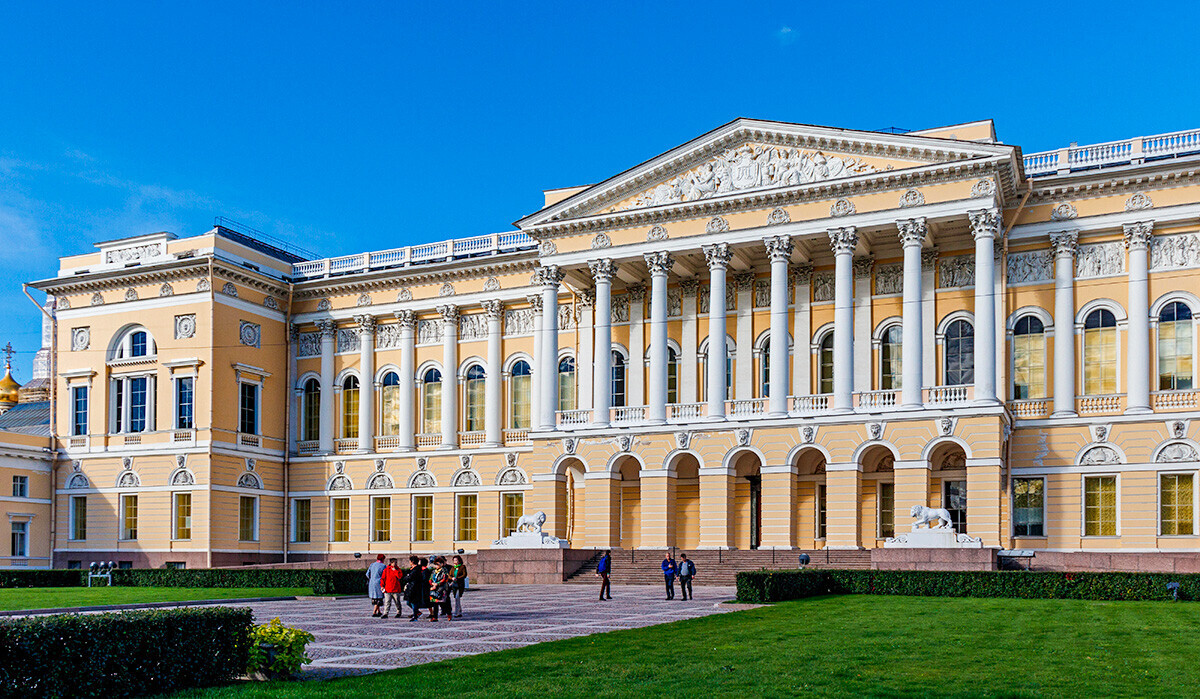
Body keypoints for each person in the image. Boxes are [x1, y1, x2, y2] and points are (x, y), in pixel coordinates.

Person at [428, 556, 452, 622]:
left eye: (438, 564)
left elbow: (444, 579)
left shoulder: (444, 570)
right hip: (435, 589)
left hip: (442, 589)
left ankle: (449, 614)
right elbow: (430, 579)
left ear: (441, 564)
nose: (436, 566)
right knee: (435, 604)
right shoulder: (433, 571)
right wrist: (432, 584)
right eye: (435, 564)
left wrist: (437, 584)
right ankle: (435, 617)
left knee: (444, 603)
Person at [402, 555, 424, 621]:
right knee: (409, 602)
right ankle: (417, 612)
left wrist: (406, 577)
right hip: (411, 587)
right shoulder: (413, 569)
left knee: (413, 602)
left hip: (414, 588)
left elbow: (409, 578)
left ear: (412, 562)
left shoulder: (416, 570)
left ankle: (415, 615)